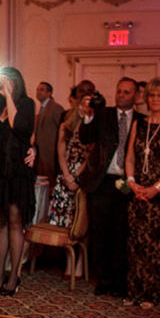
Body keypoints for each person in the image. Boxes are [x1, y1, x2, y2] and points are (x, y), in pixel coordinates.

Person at [78, 77, 145, 297]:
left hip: (129, 183)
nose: (121, 96)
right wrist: (87, 117)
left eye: (126, 92)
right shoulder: (103, 114)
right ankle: (103, 280)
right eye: (119, 91)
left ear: (135, 96)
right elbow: (85, 137)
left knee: (123, 233)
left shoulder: (142, 120)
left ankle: (120, 281)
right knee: (101, 233)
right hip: (103, 182)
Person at [122, 77, 160, 308]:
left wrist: (155, 188)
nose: (155, 99)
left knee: (155, 246)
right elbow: (130, 157)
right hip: (137, 190)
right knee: (135, 243)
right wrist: (132, 182)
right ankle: (133, 291)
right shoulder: (139, 124)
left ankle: (150, 294)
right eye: (152, 95)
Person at [0, 66, 36, 296]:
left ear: (16, 82)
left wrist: (10, 95)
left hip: (17, 172)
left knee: (14, 221)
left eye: (8, 80)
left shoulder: (26, 103)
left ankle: (14, 275)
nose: (2, 83)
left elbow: (18, 125)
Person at [48, 84, 90, 278]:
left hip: (83, 175)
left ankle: (80, 263)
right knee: (65, 223)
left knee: (80, 221)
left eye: (88, 105)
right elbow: (60, 151)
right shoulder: (67, 123)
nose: (84, 108)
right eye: (82, 104)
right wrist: (66, 175)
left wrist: (77, 176)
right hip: (65, 175)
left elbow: (91, 154)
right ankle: (68, 263)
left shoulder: (93, 127)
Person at [32, 81, 64, 226]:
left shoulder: (56, 108)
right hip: (41, 155)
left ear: (50, 93)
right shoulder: (42, 109)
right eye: (38, 89)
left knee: (50, 187)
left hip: (50, 154)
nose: (39, 92)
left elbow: (61, 132)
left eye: (43, 90)